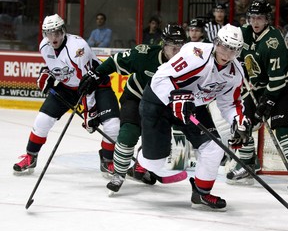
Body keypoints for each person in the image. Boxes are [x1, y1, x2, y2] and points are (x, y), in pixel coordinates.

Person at [137, 24, 251, 211]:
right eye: (224, 47)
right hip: (159, 102)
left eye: (233, 50)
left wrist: (238, 122)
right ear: (216, 43)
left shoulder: (235, 73)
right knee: (155, 162)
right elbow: (160, 78)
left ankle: (201, 193)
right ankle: (141, 162)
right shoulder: (194, 53)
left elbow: (230, 104)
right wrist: (176, 97)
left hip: (193, 107)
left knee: (214, 147)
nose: (227, 54)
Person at [78, 24, 188, 193]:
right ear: (163, 44)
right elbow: (116, 61)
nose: (177, 52)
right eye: (173, 47)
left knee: (159, 139)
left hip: (163, 105)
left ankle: (142, 166)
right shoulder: (144, 54)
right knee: (128, 133)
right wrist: (96, 74)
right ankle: (119, 174)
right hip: (136, 97)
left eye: (180, 47)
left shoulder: (189, 63)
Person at [13, 14, 120, 176]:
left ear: (63, 31)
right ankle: (30, 156)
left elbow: (87, 82)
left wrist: (89, 112)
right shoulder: (44, 47)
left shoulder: (78, 48)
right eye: (49, 33)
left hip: (97, 86)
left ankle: (107, 160)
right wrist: (48, 75)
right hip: (68, 88)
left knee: (112, 125)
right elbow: (59, 68)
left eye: (56, 32)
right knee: (42, 120)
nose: (53, 37)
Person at [226, 0, 288, 196]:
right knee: (243, 122)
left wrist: (268, 101)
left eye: (260, 18)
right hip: (257, 87)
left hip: (283, 88)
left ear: (267, 20)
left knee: (282, 129)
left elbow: (278, 79)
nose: (256, 22)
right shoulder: (244, 33)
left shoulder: (274, 41)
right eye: (253, 18)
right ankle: (248, 165)